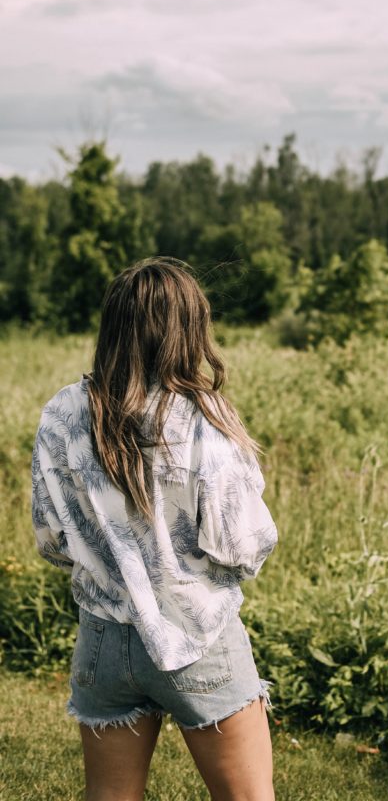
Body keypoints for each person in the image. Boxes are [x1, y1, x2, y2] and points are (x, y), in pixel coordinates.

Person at [31, 257, 279, 801]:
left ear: (114, 325)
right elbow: (242, 546)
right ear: (189, 329)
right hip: (197, 636)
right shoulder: (202, 418)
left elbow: (51, 540)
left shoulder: (64, 412)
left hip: (102, 635)